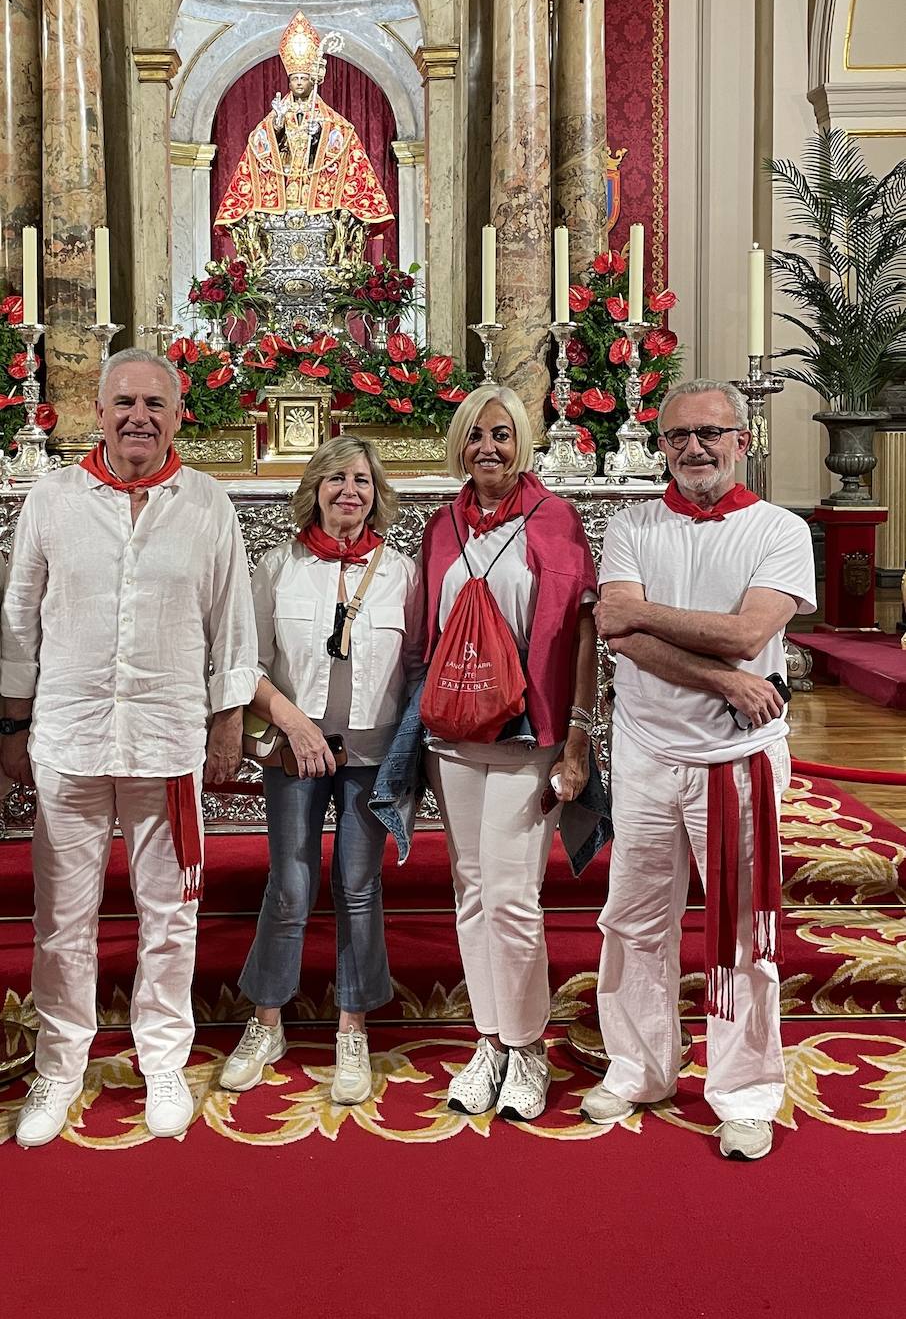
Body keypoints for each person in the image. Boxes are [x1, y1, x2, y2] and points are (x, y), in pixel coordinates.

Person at [2, 347, 259, 1147]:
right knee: (62, 919)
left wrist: (226, 721)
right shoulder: (52, 498)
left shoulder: (208, 502)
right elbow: (19, 618)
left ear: (179, 415)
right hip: (70, 741)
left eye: (155, 403)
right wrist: (12, 726)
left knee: (170, 915)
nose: (138, 417)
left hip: (167, 742)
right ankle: (60, 1063)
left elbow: (234, 622)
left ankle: (161, 1059)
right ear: (99, 412)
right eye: (124, 403)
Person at [586, 378, 816, 1160]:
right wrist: (723, 677)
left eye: (710, 433)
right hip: (649, 751)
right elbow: (618, 634)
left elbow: (751, 631)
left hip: (737, 761)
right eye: (677, 436)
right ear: (661, 446)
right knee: (633, 921)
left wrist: (647, 613)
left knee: (743, 933)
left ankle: (745, 1090)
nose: (693, 448)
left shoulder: (779, 530)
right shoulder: (632, 523)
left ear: (741, 440)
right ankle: (638, 1067)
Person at [220, 436, 422, 1105]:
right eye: (336, 479)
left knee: (358, 887)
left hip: (373, 752)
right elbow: (245, 661)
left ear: (376, 492)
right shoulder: (279, 566)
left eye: (361, 480)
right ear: (315, 488)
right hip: (295, 749)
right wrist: (293, 723)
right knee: (291, 882)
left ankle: (352, 1026)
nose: (349, 491)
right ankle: (267, 1020)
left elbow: (419, 665)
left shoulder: (402, 571)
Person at [420, 384, 598, 1122]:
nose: (487, 448)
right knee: (471, 890)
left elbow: (583, 635)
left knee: (515, 897)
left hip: (531, 735)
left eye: (501, 435)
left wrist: (580, 737)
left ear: (522, 443)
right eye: (474, 435)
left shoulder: (555, 520)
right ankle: (489, 1039)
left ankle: (527, 1048)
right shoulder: (441, 525)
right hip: (455, 734)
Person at [214, 10, 393, 234]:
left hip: (315, 186)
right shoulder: (278, 112)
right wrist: (277, 124)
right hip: (286, 185)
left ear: (312, 80)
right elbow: (261, 147)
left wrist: (319, 132)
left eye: (303, 78)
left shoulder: (328, 118)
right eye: (295, 78)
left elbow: (343, 138)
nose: (299, 83)